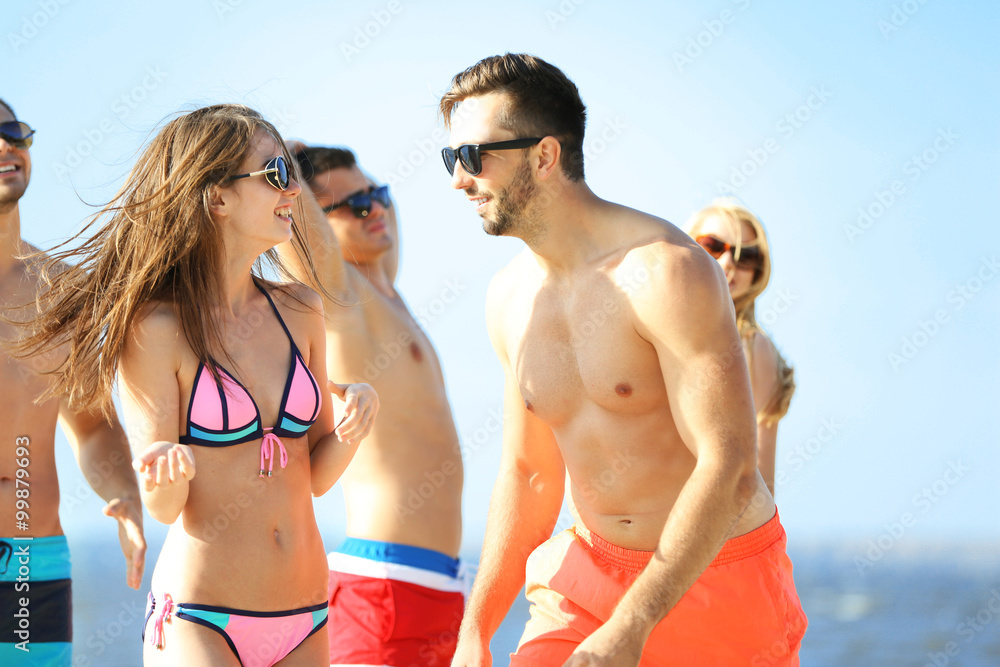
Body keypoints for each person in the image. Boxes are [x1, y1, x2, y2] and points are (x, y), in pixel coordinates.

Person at [439, 54, 807, 666]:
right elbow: (529, 474)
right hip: (585, 578)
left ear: (545, 156)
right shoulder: (507, 297)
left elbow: (730, 464)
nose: (458, 180)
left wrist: (633, 623)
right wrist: (475, 631)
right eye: (451, 159)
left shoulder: (667, 270)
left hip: (720, 578)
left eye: (474, 157)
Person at [13, 104, 378, 666]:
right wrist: (163, 471)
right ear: (217, 197)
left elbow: (318, 476)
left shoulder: (300, 309)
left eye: (294, 175)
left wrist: (356, 422)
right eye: (277, 174)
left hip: (306, 617)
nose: (293, 193)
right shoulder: (156, 328)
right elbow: (166, 507)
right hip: (201, 618)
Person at [282, 145, 464, 666]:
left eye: (379, 195)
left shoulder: (392, 297)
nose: (377, 210)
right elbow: (304, 233)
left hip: (439, 583)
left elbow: (379, 221)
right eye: (356, 206)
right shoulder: (346, 300)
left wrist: (360, 195)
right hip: (385, 585)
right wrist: (282, 159)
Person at [0, 98, 146, 665]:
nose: (5, 145)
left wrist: (124, 493)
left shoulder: (62, 291)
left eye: (14, 132)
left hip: (34, 562)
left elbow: (91, 427)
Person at [686, 201, 796, 496]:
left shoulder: (752, 347)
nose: (728, 263)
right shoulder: (659, 332)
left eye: (745, 256)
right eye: (713, 246)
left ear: (758, 271)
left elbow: (755, 475)